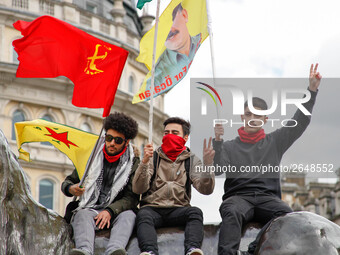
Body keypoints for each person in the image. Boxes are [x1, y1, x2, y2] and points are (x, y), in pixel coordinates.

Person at [203, 64, 322, 255]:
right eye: (248, 114)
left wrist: (312, 90)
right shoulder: (228, 146)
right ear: (242, 117)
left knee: (289, 217)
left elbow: (300, 121)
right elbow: (218, 170)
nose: (252, 119)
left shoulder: (275, 141)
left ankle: (252, 250)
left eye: (257, 115)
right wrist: (217, 144)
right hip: (239, 198)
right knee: (230, 210)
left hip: (268, 199)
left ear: (265, 119)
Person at [132, 117, 215, 255]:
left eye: (174, 133)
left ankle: (192, 249)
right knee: (143, 215)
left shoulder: (192, 160)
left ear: (185, 137)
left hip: (179, 209)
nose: (169, 136)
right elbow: (138, 189)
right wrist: (144, 162)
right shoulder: (153, 156)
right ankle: (149, 251)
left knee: (195, 213)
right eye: (166, 133)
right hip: (153, 209)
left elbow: (206, 189)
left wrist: (207, 166)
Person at [61, 112, 140, 255]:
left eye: (117, 140)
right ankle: (84, 251)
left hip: (117, 212)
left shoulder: (134, 163)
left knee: (129, 216)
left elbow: (132, 198)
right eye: (109, 138)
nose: (111, 143)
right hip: (89, 208)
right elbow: (68, 182)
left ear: (126, 142)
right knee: (81, 214)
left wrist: (109, 211)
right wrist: (71, 188)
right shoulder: (91, 157)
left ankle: (115, 251)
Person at [145, 3, 202, 94]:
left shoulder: (200, 38)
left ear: (184, 15)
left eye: (173, 20)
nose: (170, 30)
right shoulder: (161, 64)